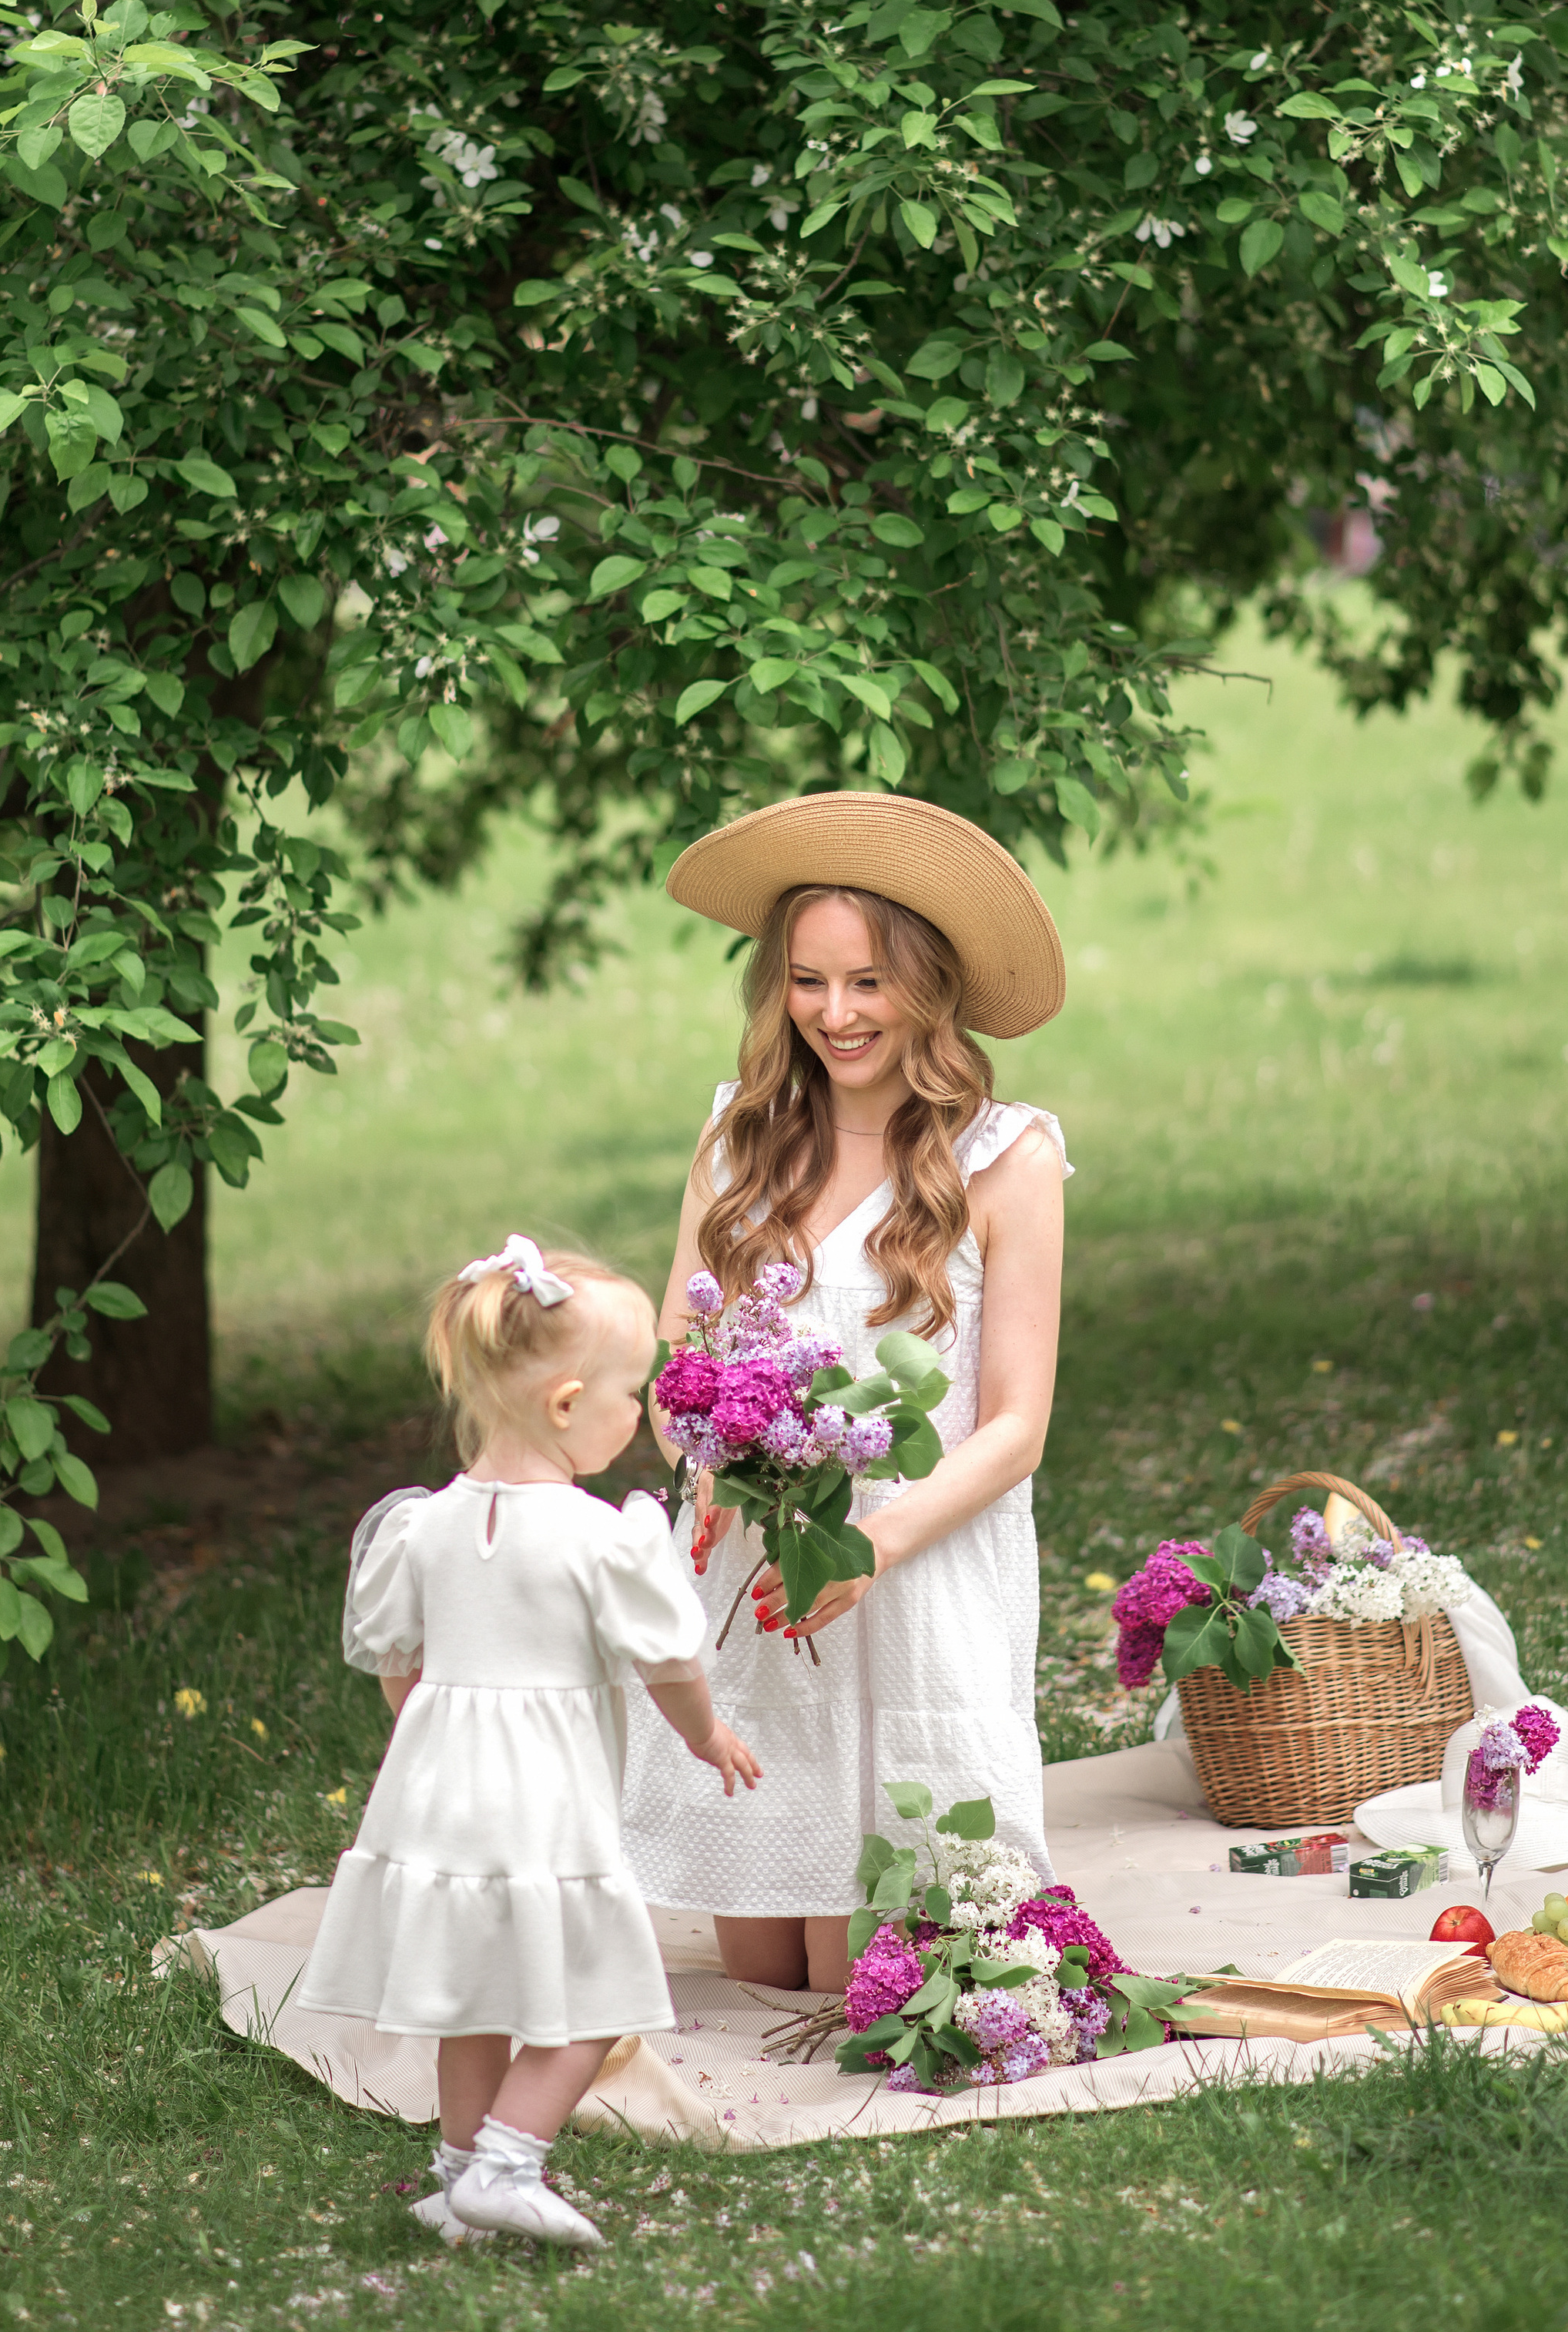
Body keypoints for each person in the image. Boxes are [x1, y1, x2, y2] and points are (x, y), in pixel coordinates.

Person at [622, 791, 1069, 1997]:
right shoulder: (740, 1135)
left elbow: (1016, 1426)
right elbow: (679, 1352)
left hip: (909, 1564)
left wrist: (868, 1542)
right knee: (764, 1962)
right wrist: (708, 1452)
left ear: (929, 984)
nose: (835, 1013)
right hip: (758, 1563)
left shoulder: (1006, 1159)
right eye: (809, 983)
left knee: (841, 1973)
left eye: (868, 982)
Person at [297, 1235, 760, 2250]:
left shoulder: (422, 1527)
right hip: (544, 1795)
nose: (636, 1414)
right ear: (564, 1404)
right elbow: (669, 1659)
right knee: (596, 1988)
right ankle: (508, 2160)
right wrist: (707, 1732)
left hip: (438, 1789)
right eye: (629, 1392)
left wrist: (435, 1746)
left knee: (472, 1992)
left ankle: (458, 2176)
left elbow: (396, 1664)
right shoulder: (603, 1537)